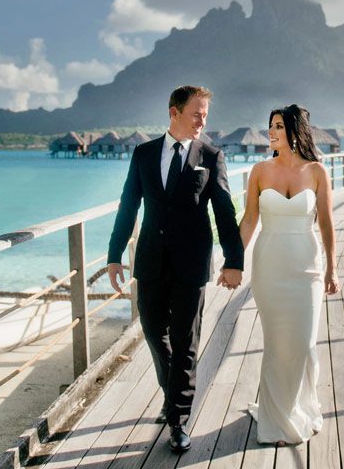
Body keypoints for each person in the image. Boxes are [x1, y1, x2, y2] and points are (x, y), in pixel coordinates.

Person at [106, 86, 244, 454]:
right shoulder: (144, 153)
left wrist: (234, 261)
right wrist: (114, 253)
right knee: (153, 332)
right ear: (174, 112)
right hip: (150, 261)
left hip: (192, 263)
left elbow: (225, 213)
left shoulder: (211, 156)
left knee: (186, 342)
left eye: (206, 114)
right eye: (197, 113)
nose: (203, 121)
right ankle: (173, 396)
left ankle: (178, 421)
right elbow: (127, 206)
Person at [239, 104, 339, 445]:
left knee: (304, 342)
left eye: (278, 126)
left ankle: (302, 405)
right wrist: (234, 262)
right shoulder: (259, 171)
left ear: (295, 131)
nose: (271, 131)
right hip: (269, 266)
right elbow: (250, 220)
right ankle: (278, 418)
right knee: (278, 343)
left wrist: (333, 268)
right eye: (270, 125)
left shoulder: (317, 172)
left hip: (307, 267)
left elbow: (326, 222)